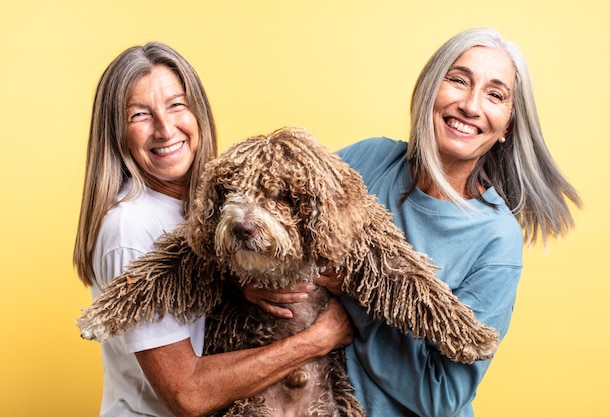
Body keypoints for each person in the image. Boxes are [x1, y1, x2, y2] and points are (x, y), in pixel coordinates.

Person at [245, 27, 581, 416]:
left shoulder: (496, 238)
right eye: (458, 80)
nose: (471, 106)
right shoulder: (368, 160)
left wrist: (356, 293)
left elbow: (440, 397)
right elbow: (271, 218)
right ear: (430, 89)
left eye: (495, 94)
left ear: (506, 126)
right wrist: (248, 281)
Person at [73, 42, 353, 417]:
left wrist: (242, 282)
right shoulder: (131, 227)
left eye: (176, 105)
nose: (165, 128)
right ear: (117, 132)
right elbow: (188, 394)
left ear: (198, 111)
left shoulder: (212, 205)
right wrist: (319, 339)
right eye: (140, 115)